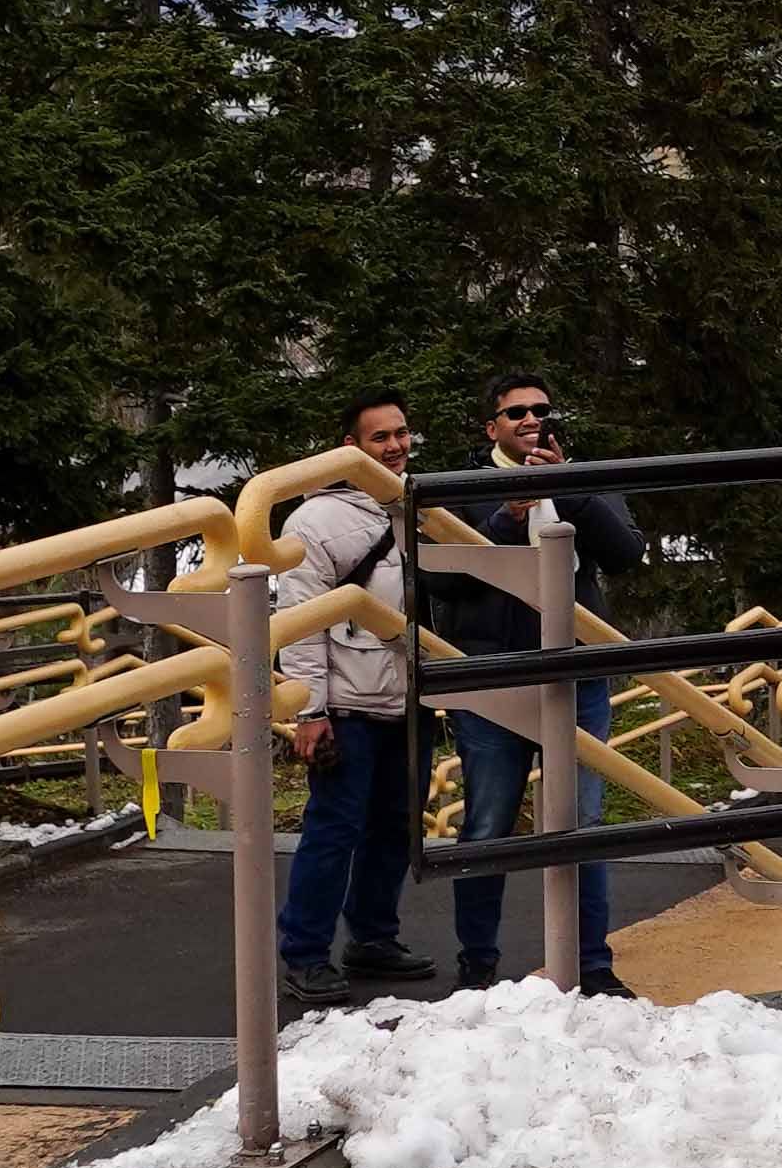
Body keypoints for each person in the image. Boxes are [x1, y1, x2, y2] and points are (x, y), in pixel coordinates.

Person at [413, 378, 643, 994]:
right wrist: (503, 519)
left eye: (541, 409)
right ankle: (477, 965)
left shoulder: (583, 477)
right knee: (488, 823)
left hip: (576, 676)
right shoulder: (459, 489)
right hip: (494, 680)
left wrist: (568, 488)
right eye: (516, 411)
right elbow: (440, 582)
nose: (531, 418)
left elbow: (626, 553)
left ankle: (591, 963)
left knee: (582, 821)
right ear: (492, 427)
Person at [262, 390, 435, 998]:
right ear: (350, 448)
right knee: (335, 829)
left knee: (396, 825)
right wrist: (309, 710)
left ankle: (373, 937)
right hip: (346, 704)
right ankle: (305, 952)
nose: (395, 446)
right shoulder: (314, 521)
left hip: (411, 697)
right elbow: (299, 621)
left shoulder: (422, 504)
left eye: (401, 433)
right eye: (379, 437)